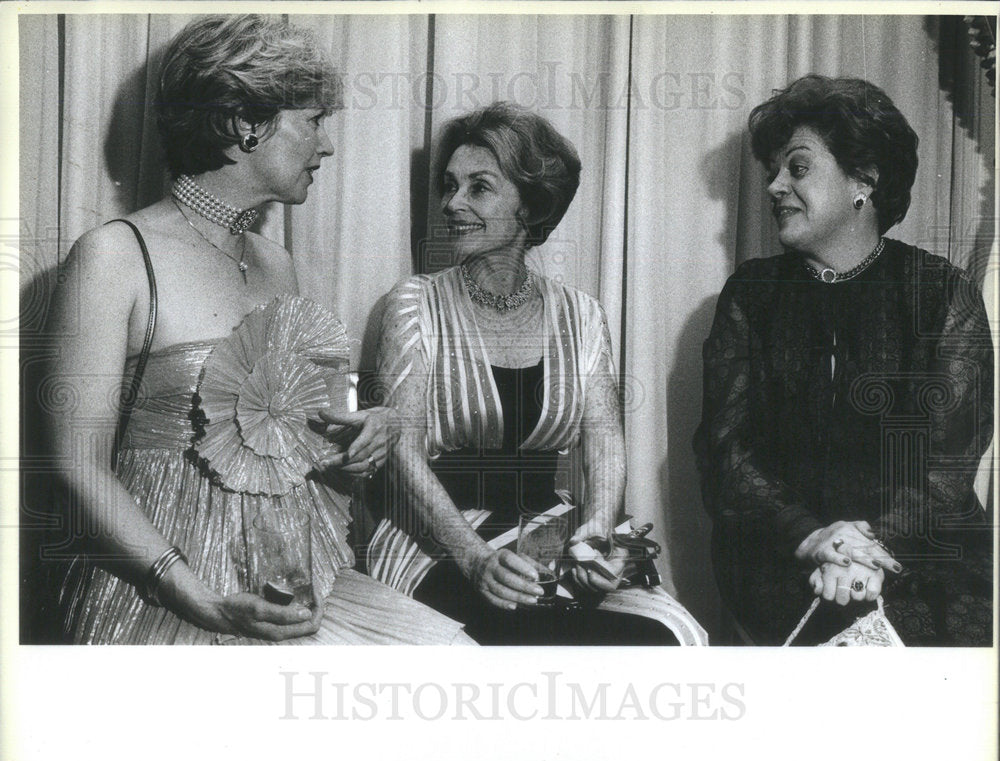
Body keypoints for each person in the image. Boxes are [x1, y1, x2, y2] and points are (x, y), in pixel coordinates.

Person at [49, 14, 473, 645]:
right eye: (313, 121)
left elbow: (307, 445)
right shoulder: (113, 256)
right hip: (165, 588)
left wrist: (368, 435)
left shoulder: (277, 264)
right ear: (245, 124)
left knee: (452, 662)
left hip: (287, 579)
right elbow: (77, 466)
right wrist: (204, 600)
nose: (326, 146)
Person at [371, 102, 695, 645]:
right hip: (437, 537)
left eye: (479, 188)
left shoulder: (582, 313)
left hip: (548, 528)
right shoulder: (414, 305)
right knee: (524, 636)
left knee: (657, 637)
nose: (453, 204)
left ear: (531, 205)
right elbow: (402, 449)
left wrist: (595, 529)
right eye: (450, 187)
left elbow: (604, 439)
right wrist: (475, 559)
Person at [695, 75, 994, 646]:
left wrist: (870, 550)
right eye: (773, 171)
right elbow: (724, 452)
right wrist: (813, 539)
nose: (775, 185)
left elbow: (946, 466)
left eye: (798, 168)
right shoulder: (750, 294)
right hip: (782, 554)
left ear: (863, 180)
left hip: (924, 554)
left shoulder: (942, 292)